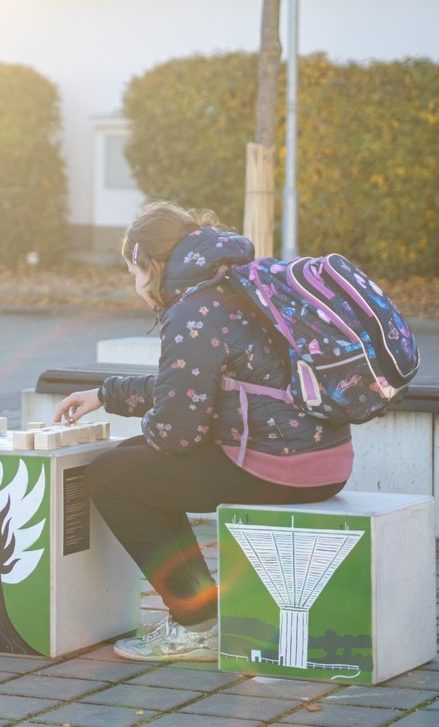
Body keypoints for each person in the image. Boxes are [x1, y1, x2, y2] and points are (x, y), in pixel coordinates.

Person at [54, 201, 351, 662]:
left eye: (133, 273)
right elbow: (201, 387)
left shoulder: (194, 311)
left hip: (281, 467)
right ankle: (203, 613)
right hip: (323, 456)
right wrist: (107, 394)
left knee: (111, 476)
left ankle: (197, 625)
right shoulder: (238, 284)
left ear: (152, 265)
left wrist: (152, 425)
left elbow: (176, 434)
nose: (136, 286)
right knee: (136, 462)